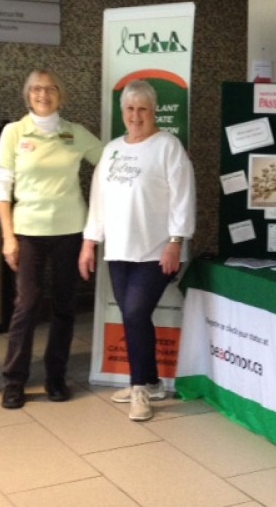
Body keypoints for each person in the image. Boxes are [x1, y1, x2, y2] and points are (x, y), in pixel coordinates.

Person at [79, 79, 195, 422]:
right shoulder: (113, 149)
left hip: (157, 250)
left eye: (142, 108)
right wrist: (90, 242)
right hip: (118, 250)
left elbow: (184, 197)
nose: (136, 115)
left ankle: (140, 389)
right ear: (122, 112)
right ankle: (150, 381)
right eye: (130, 109)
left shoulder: (168, 146)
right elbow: (98, 201)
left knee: (133, 313)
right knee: (134, 316)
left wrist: (177, 241)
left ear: (154, 110)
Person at [0, 69, 103, 409]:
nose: (43, 94)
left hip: (70, 230)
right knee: (26, 306)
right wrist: (8, 237)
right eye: (36, 89)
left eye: (51, 88)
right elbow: (2, 186)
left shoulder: (75, 133)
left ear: (61, 95)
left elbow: (113, 159)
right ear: (28, 95)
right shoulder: (14, 133)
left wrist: (161, 153)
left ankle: (56, 377)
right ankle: (14, 381)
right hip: (28, 232)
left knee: (64, 307)